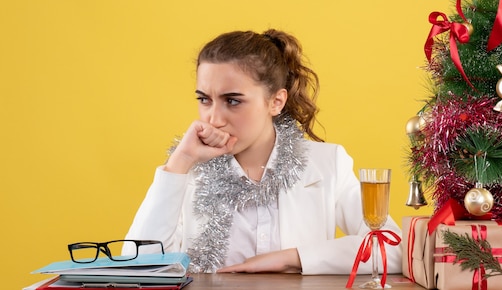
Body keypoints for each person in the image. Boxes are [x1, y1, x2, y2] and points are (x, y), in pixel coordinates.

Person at [123, 29, 402, 275]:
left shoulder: (327, 164)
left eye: (232, 101)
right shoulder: (186, 172)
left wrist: (292, 259)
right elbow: (137, 265)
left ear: (276, 101)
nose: (213, 119)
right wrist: (180, 163)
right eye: (204, 100)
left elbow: (392, 249)